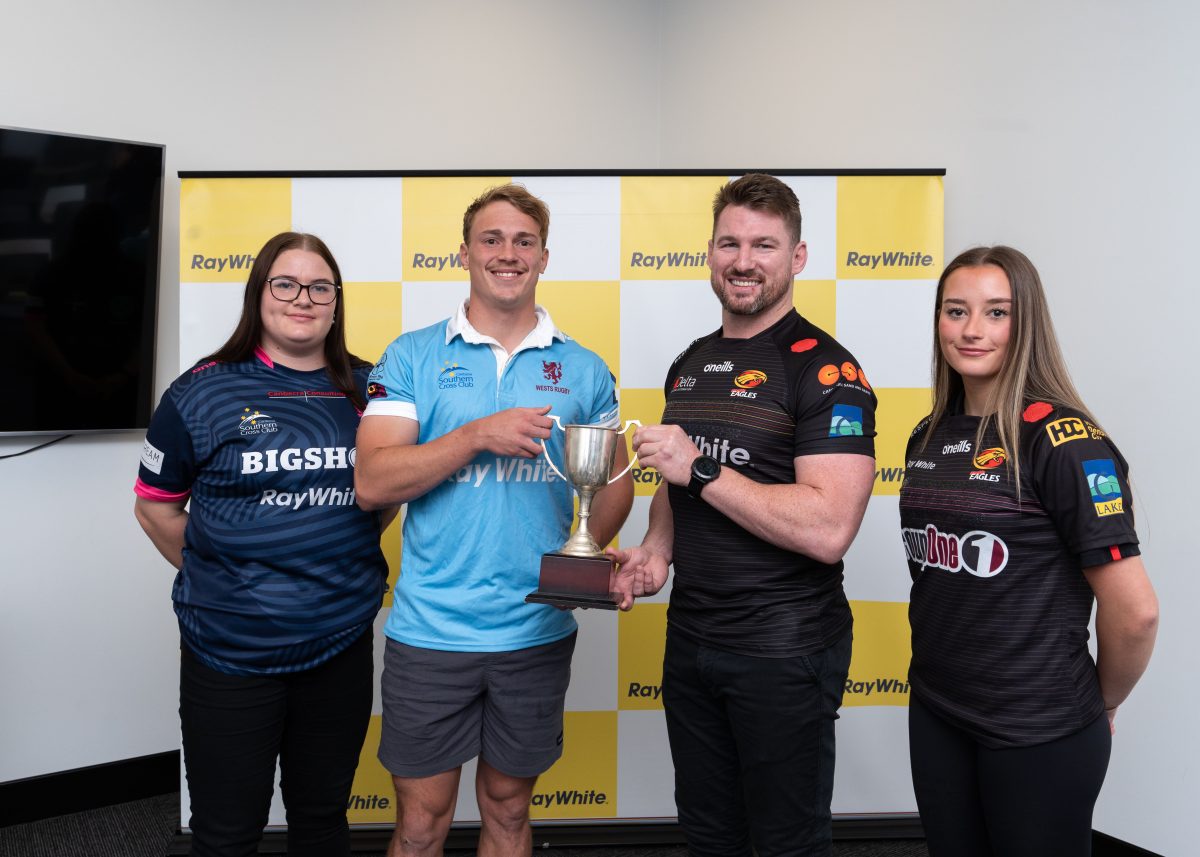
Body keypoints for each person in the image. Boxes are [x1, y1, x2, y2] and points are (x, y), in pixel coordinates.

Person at [354, 183, 633, 857]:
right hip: (432, 629)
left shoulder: (584, 367)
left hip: (534, 629)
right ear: (465, 252)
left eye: (523, 241)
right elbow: (372, 482)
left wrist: (592, 546)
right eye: (492, 239)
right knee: (422, 820)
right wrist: (476, 433)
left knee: (508, 809)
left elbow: (614, 481)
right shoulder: (413, 355)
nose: (507, 253)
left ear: (543, 257)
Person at [608, 173, 877, 857]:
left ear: (798, 257)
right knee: (708, 834)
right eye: (730, 242)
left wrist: (702, 467)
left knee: (786, 841)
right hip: (692, 641)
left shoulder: (826, 371)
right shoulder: (692, 363)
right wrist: (656, 549)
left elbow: (826, 527)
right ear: (710, 251)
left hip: (784, 651)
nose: (744, 260)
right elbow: (674, 483)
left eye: (764, 244)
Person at [133, 232, 390, 857]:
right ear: (260, 293)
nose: (302, 298)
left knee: (323, 823)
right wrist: (228, 577)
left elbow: (380, 497)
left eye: (319, 287)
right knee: (225, 835)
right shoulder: (199, 390)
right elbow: (155, 508)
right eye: (285, 283)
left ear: (335, 301)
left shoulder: (372, 391)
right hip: (229, 653)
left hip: (339, 644)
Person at [898, 246, 1159, 857]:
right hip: (938, 708)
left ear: (1026, 324)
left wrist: (1104, 701)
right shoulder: (927, 434)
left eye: (996, 313)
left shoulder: (1065, 442)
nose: (971, 330)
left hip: (1038, 725)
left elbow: (1137, 612)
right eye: (955, 311)